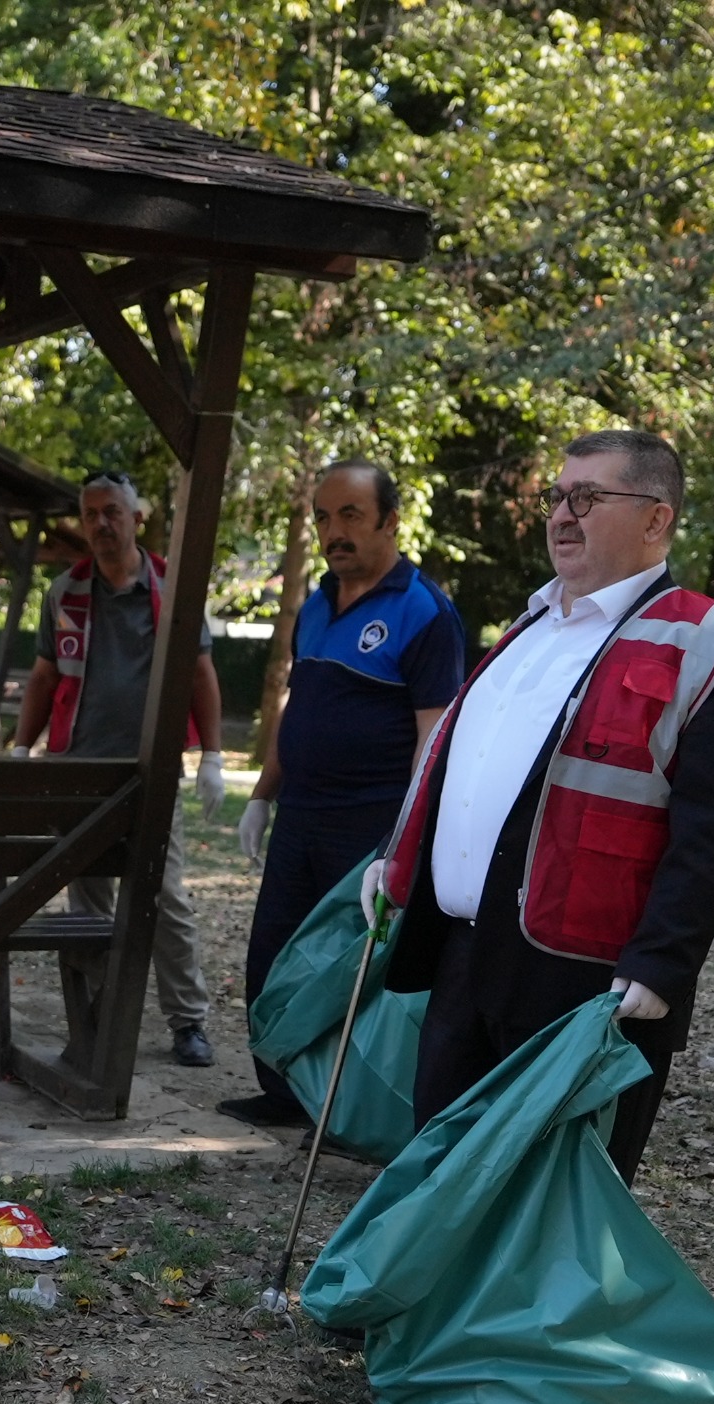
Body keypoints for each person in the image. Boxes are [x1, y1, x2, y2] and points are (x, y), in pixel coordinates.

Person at [366, 427, 714, 1182]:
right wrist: (399, 857)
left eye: (587, 498)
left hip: (587, 981)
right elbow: (467, 766)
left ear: (656, 518)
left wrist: (663, 964)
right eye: (556, 497)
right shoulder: (528, 628)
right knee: (441, 1181)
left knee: (549, 1198)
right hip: (463, 955)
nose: (561, 514)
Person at [219, 459, 464, 1128]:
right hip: (299, 816)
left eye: (350, 515)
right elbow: (297, 709)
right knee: (274, 956)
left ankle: (345, 1111)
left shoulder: (424, 611)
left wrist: (403, 841)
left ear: (390, 521)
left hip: (367, 826)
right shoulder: (316, 603)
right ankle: (282, 1096)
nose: (334, 532)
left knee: (346, 970)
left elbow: (435, 741)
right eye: (323, 518)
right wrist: (262, 796)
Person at [12, 472, 226, 1069]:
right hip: (80, 769)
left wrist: (212, 756)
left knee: (165, 895)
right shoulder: (65, 593)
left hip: (151, 768)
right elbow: (44, 676)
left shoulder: (173, 589)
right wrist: (21, 749)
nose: (101, 524)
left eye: (111, 511)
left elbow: (200, 672)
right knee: (88, 901)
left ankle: (188, 1020)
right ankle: (99, 1016)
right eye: (90, 515)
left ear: (136, 518)